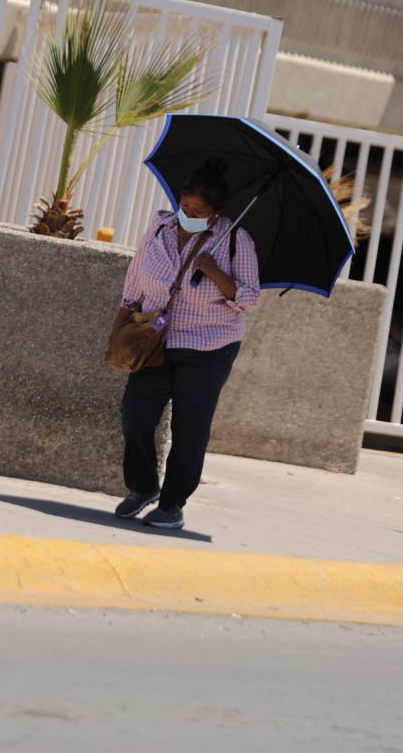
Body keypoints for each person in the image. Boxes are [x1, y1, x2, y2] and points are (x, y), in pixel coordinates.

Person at [110, 157, 261, 530]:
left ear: (217, 212)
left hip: (210, 347)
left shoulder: (235, 240)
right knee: (135, 413)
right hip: (155, 342)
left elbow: (250, 300)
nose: (188, 215)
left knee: (190, 429)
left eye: (199, 211)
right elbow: (134, 285)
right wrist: (117, 330)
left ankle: (173, 504)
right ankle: (143, 487)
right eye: (185, 206)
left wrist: (215, 272)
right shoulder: (159, 228)